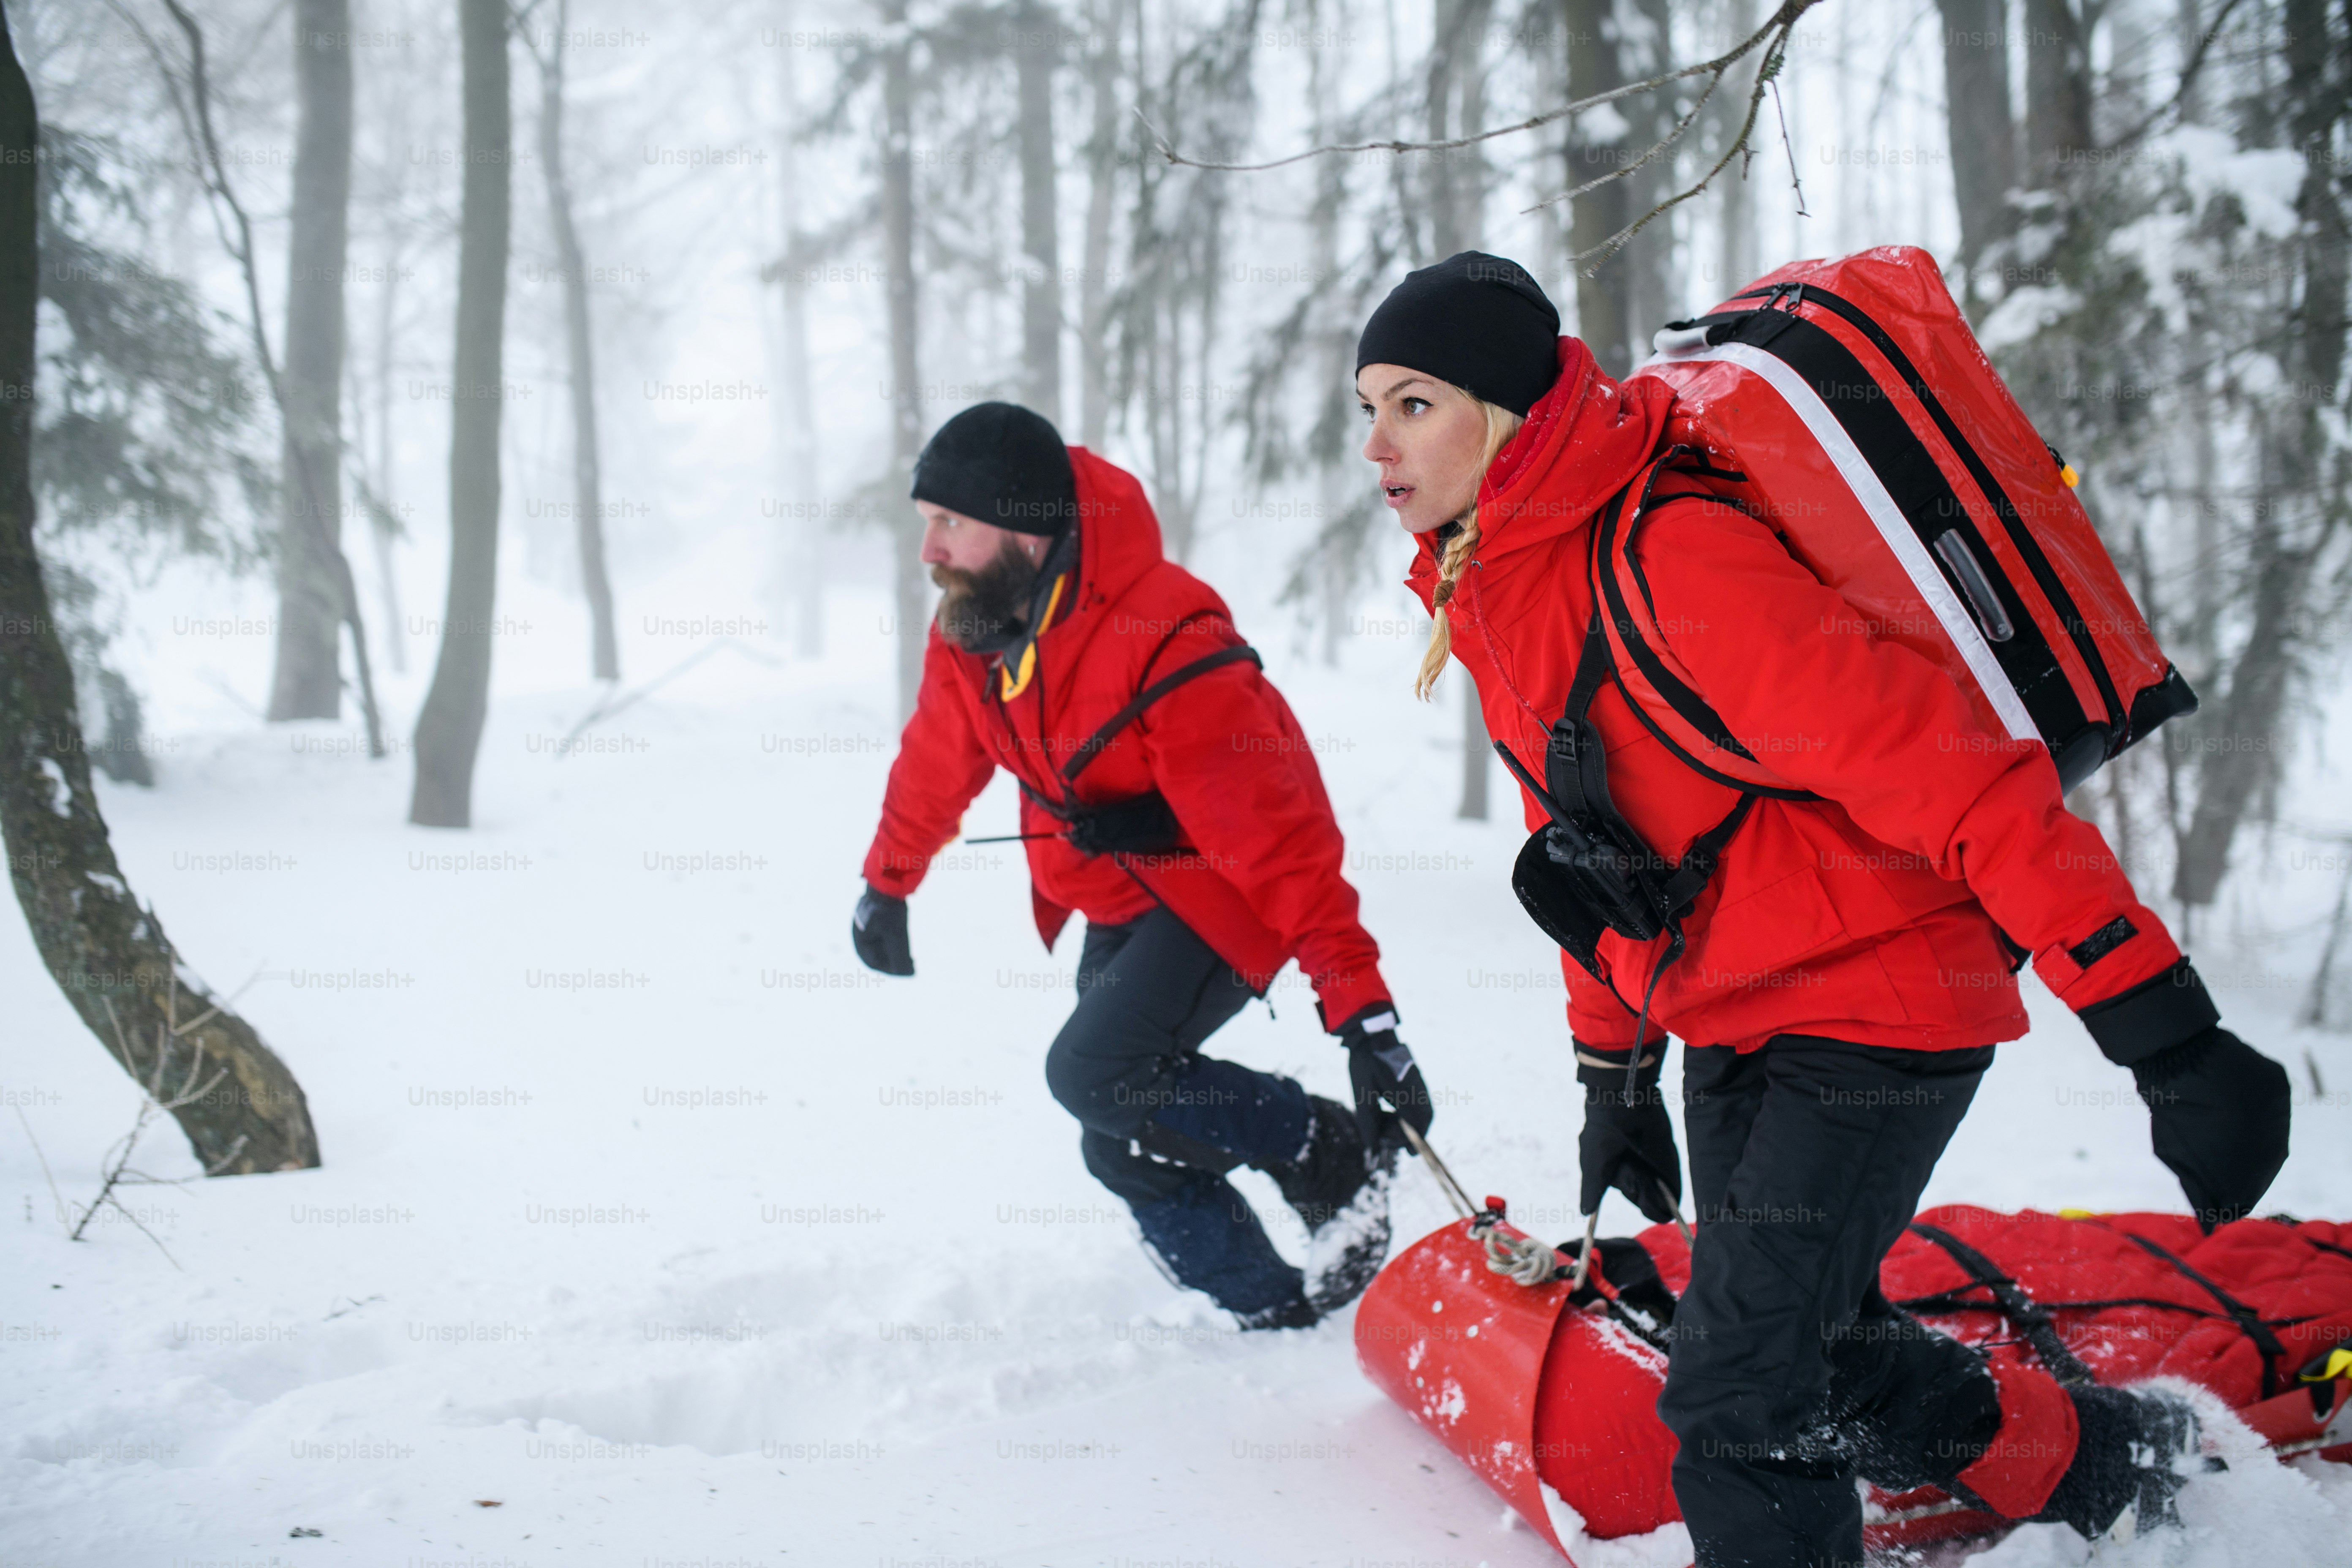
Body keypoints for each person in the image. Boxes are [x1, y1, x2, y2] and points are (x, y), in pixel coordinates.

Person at [1351, 253, 2294, 1564]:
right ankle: (2117, 1465)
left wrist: (2164, 1030)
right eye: (1367, 410)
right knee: (1822, 1350)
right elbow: (1589, 852)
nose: (1378, 446)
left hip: (1881, 1003)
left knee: (1738, 1392)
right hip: (1743, 1003)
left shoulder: (1678, 557)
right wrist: (1612, 1073)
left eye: (1412, 403)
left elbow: (1962, 780)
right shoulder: (1505, 584)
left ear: (1504, 412)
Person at [852, 400, 1434, 1329]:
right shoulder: (976, 622)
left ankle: (1323, 1145)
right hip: (1109, 897)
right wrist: (888, 880)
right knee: (1118, 1138)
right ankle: (1277, 1311)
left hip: (1216, 891)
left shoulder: (1165, 637)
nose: (930, 550)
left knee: (1092, 1072)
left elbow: (1280, 838)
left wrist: (1364, 1014)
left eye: (949, 523)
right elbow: (936, 756)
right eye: (927, 523)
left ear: (1028, 531)